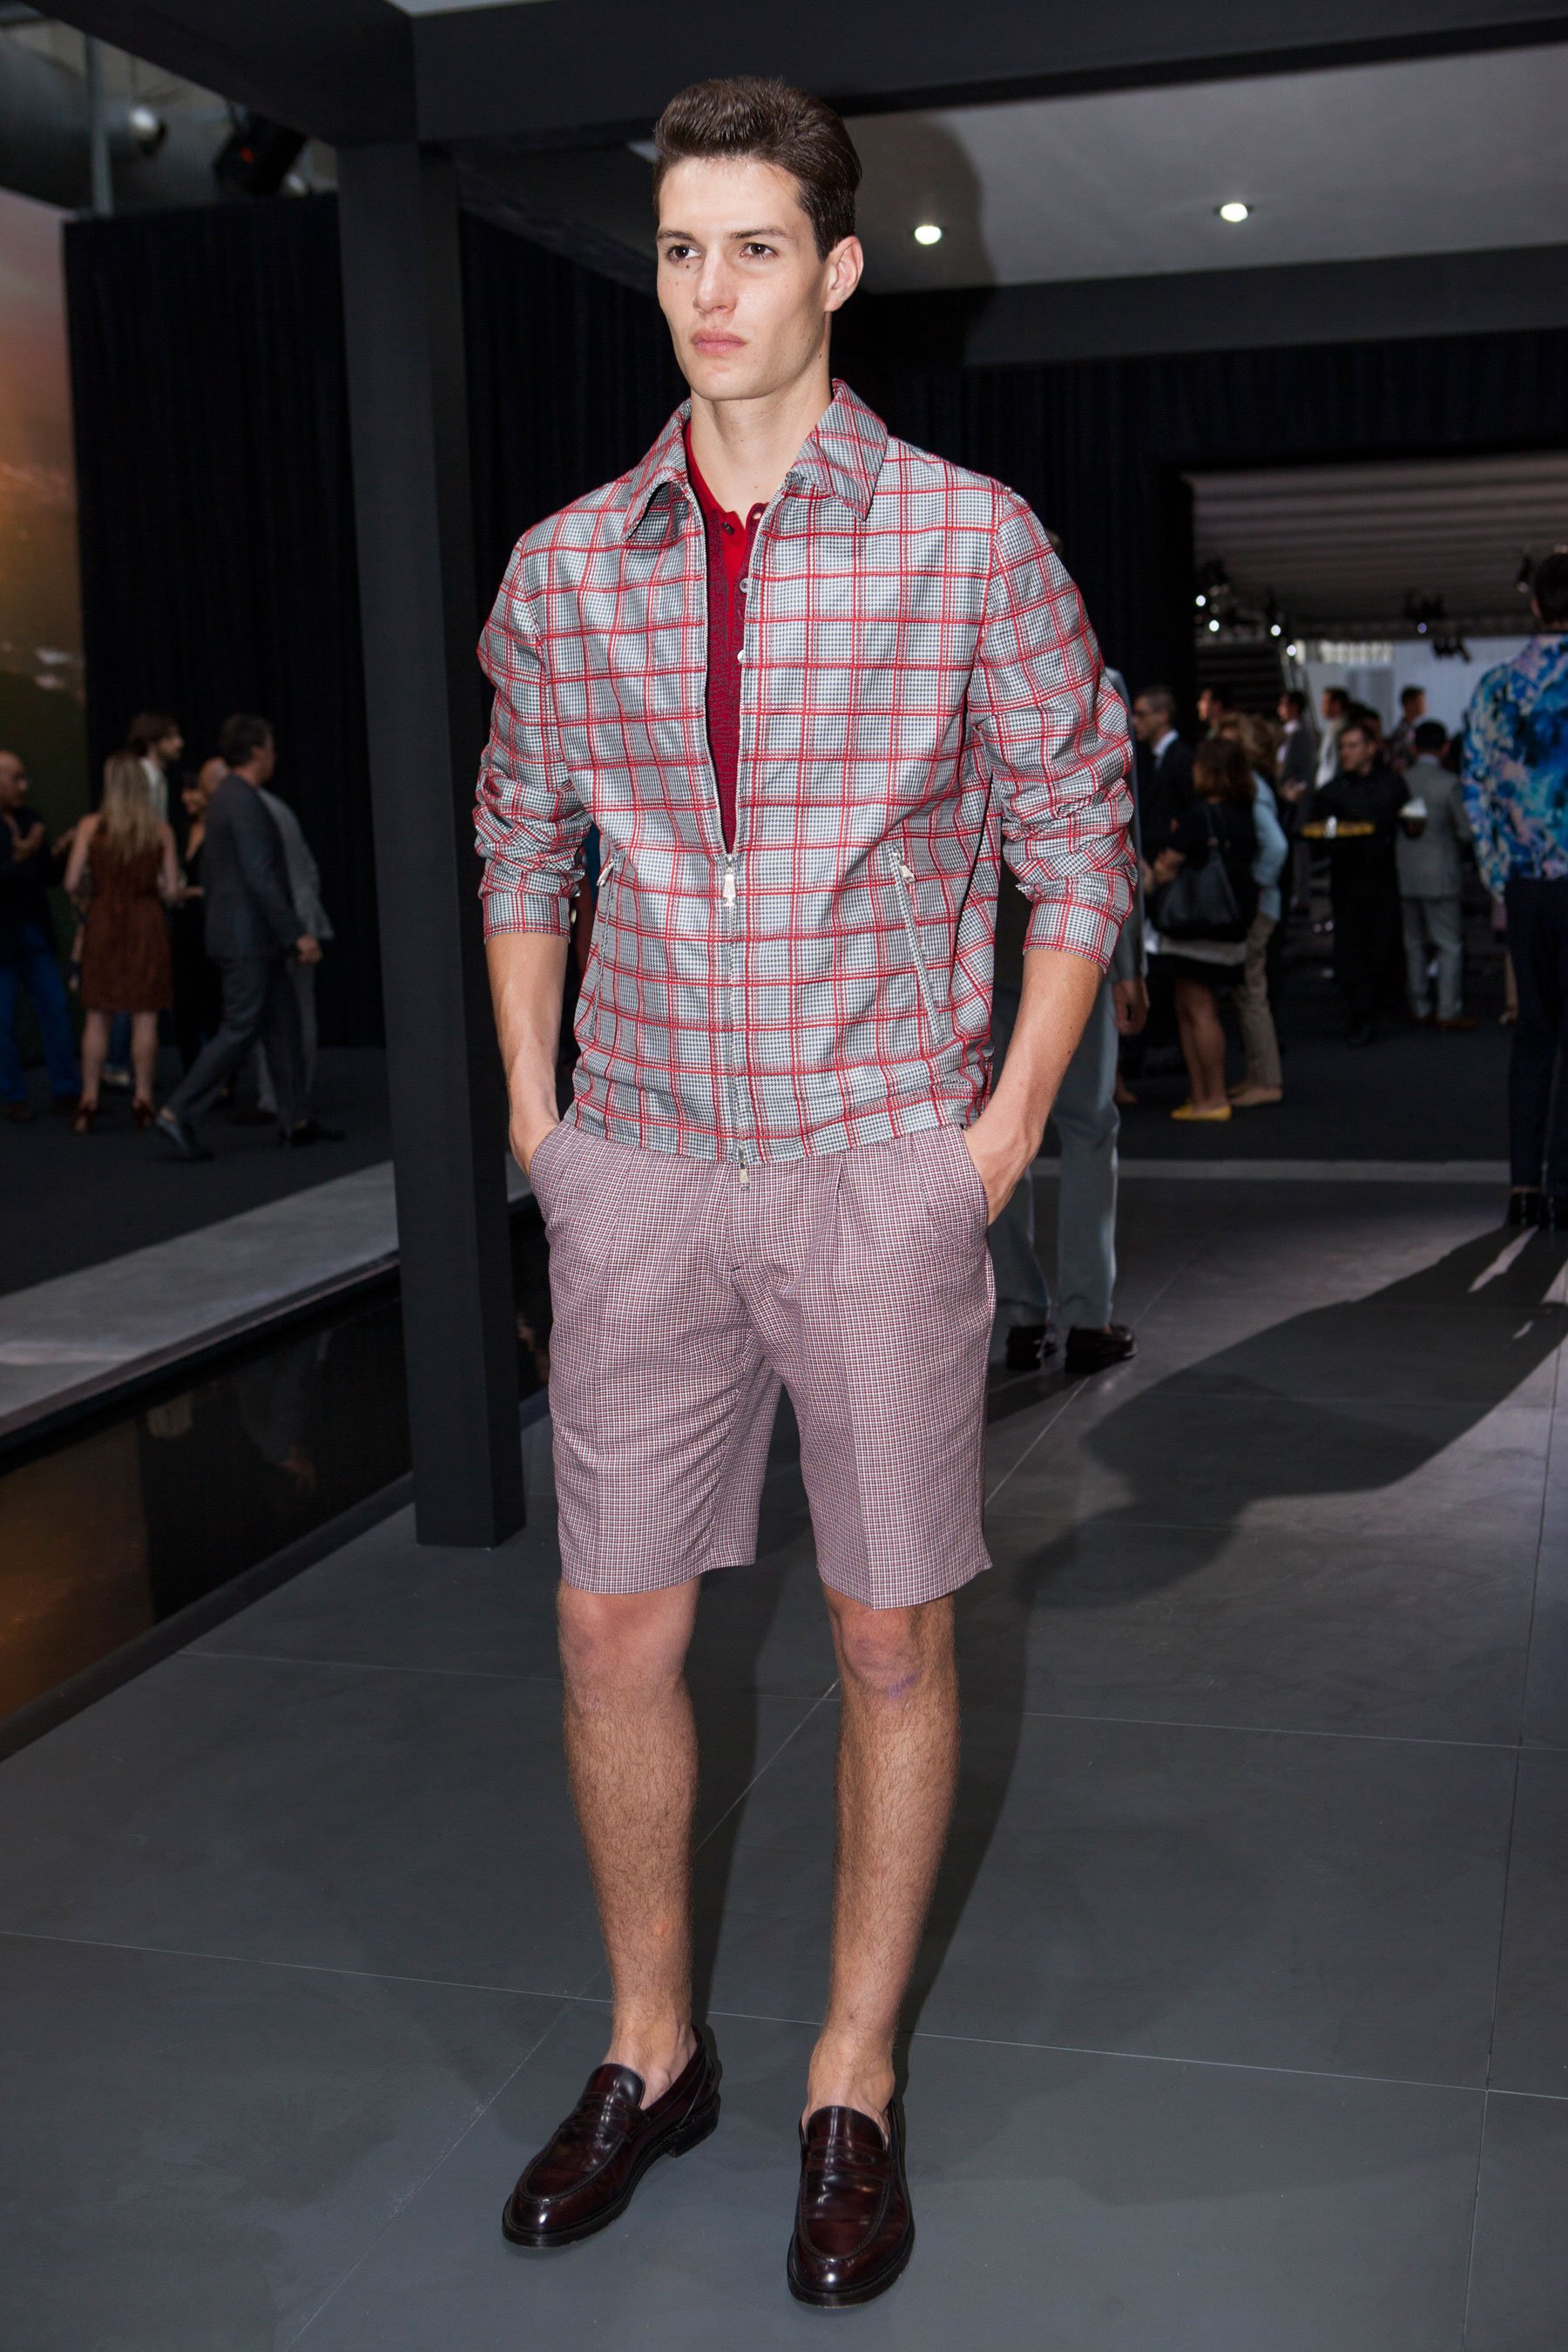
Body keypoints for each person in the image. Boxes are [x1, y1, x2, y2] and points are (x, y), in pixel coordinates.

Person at [476, 75, 1134, 2308]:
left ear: (838, 269)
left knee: (884, 1631)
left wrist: (999, 1133)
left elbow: (1080, 838)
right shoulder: (570, 564)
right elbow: (519, 838)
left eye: (754, 248)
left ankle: (854, 2073)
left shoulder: (972, 540)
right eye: (681, 249)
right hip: (641, 1165)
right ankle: (651, 2048)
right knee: (610, 1625)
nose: (712, 290)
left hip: (877, 1166)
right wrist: (536, 1121)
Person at [990, 669, 1147, 1377]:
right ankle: (1085, 1317)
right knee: (1087, 1127)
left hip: (974, 943)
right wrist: (1129, 960)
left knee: (995, 1127)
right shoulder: (1089, 677)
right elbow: (1115, 827)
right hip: (1070, 939)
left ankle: (1020, 1315)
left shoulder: (943, 654)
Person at [155, 714, 338, 1161]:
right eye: (270, 746)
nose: (274, 755)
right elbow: (260, 876)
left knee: (283, 1026)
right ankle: (178, 1112)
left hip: (249, 938)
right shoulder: (241, 801)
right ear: (256, 751)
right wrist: (296, 934)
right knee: (241, 1027)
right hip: (248, 940)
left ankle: (295, 1119)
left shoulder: (229, 799)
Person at [1463, 548, 1568, 1227]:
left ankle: (1524, 1189)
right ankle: (1564, 1188)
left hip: (1526, 884)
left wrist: (1501, 874)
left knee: (1533, 1034)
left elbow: (1476, 790)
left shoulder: (1496, 687)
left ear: (1534, 603)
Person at [62, 752, 179, 1132]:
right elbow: (172, 891)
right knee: (145, 1014)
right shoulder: (160, 831)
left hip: (104, 920)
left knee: (98, 1014)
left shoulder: (91, 826)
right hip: (146, 921)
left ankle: (88, 1100)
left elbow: (70, 881)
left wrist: (93, 889)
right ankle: (143, 1098)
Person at [1146, 736, 1260, 1119]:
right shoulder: (1244, 813)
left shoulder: (1199, 816)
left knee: (1197, 1010)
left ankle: (1210, 1097)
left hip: (1193, 928)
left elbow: (1166, 866)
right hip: (1230, 922)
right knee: (1198, 1008)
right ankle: (1203, 1096)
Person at [1308, 715, 1405, 1045]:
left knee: (1380, 947)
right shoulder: (1332, 792)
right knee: (1352, 950)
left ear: (1370, 749)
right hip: (1348, 882)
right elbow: (1317, 837)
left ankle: (1374, 1008)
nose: (1346, 753)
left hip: (1382, 881)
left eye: (1352, 746)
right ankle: (1361, 1013)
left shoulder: (1391, 785)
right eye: (1343, 747)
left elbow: (1409, 822)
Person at [99, 713, 184, 1090]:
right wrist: (165, 878)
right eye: (172, 736)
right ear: (154, 740)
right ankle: (119, 1062)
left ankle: (119, 1062)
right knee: (138, 984)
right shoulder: (146, 778)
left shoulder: (156, 778)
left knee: (132, 982)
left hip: (134, 890)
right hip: (139, 893)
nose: (179, 743)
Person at [0, 747, 82, 1120]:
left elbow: (47, 875)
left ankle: (67, 1090)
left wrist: (61, 852)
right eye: (15, 778)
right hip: (2, 937)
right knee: (2, 1020)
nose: (23, 786)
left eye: (24, 778)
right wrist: (19, 856)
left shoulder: (31, 819)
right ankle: (12, 1095)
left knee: (56, 1009)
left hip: (34, 931)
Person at [1217, 712, 1289, 1105]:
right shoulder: (1252, 783)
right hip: (1263, 900)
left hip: (1261, 902)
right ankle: (1258, 1075)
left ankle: (1266, 1081)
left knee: (1252, 991)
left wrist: (1257, 885)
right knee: (1248, 992)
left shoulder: (1252, 785)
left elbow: (1276, 846)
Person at [253, 781, 333, 1118]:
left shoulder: (254, 809)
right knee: (301, 1009)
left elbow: (265, 877)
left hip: (283, 925)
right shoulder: (279, 808)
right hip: (300, 917)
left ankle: (279, 1098)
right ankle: (297, 1094)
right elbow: (308, 870)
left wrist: (292, 929)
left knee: (279, 1013)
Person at [1397, 719, 1473, 1031]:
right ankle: (1447, 1008)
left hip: (1405, 870)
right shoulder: (1449, 783)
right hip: (1440, 871)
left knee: (1413, 942)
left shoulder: (1402, 780)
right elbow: (1465, 831)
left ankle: (1419, 1004)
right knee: (1448, 944)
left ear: (1414, 747)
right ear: (1445, 748)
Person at [170, 759, 223, 1072]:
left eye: (193, 791)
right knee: (185, 1005)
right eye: (184, 791)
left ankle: (222, 1076)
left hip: (212, 924)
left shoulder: (220, 830)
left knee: (214, 1002)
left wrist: (190, 892)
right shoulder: (179, 832)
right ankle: (192, 1073)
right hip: (183, 929)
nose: (185, 798)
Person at [1129, 685, 1193, 853]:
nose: (1134, 721)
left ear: (1163, 716)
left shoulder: (1181, 758)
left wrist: (1173, 854)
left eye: (1142, 714)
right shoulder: (1154, 758)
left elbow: (1190, 813)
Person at [1276, 688, 1317, 796]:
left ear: (1294, 707)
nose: (1279, 709)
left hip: (1294, 785)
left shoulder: (1296, 732)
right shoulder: (1299, 730)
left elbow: (1287, 761)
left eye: (1283, 705)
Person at [1386, 685, 1427, 774]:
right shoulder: (1404, 731)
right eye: (1421, 701)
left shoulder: (1411, 728)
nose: (1425, 705)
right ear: (1410, 704)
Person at [1315, 685, 1350, 786]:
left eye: (1325, 702)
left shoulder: (1340, 728)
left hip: (1331, 784)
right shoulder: (1333, 726)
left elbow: (1334, 763)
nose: (1322, 707)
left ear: (1337, 705)